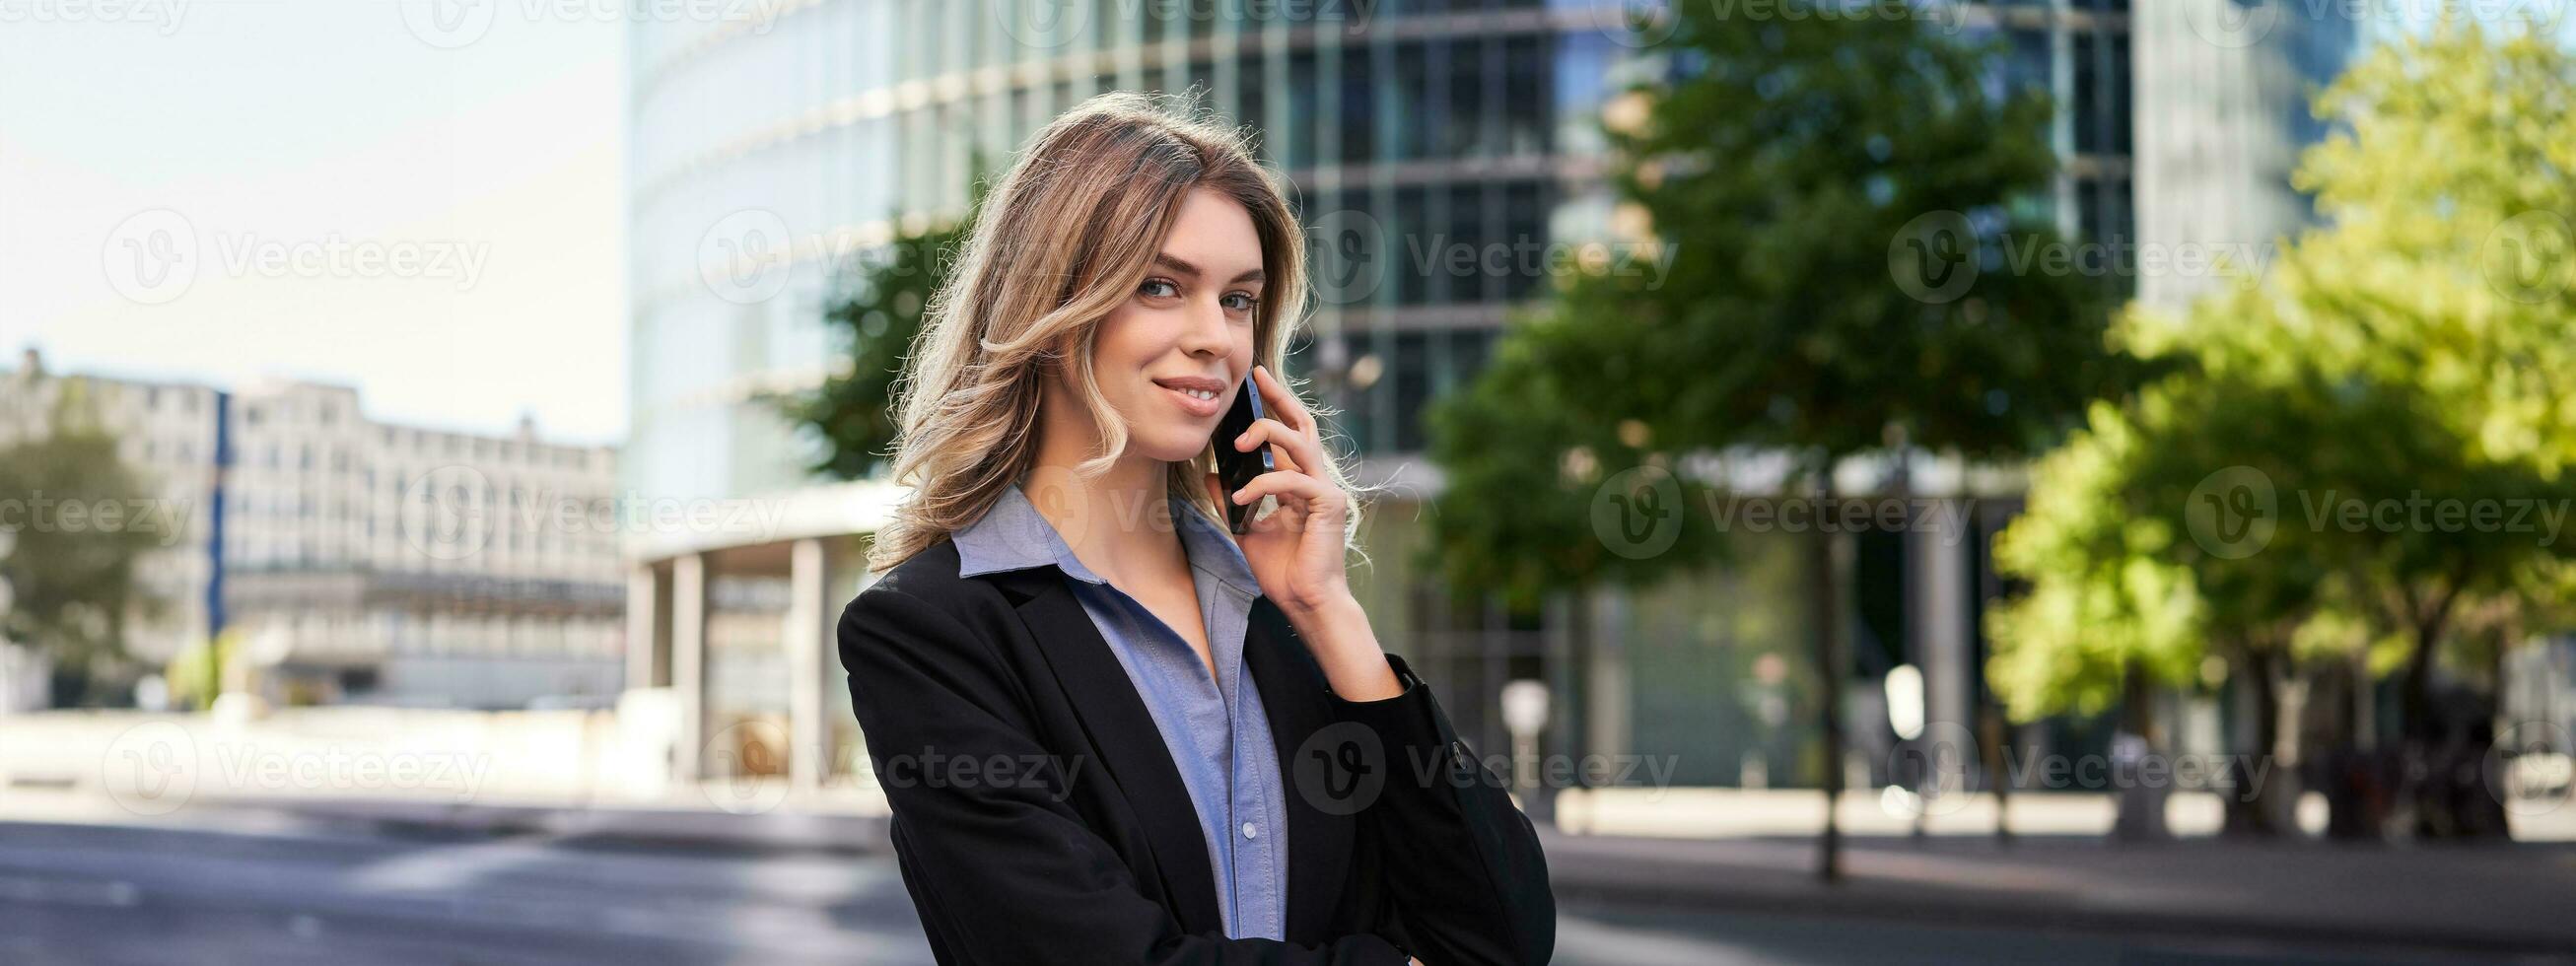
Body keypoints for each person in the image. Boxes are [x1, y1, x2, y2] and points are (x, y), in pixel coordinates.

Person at [836, 92, 1555, 965]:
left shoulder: (1278, 612)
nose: (1215, 337)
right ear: (1051, 303)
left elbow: (1501, 934)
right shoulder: (928, 629)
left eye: (1240, 300)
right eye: (1161, 286)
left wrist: (1328, 612)